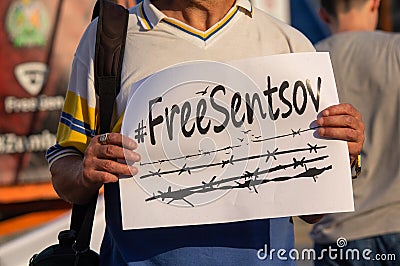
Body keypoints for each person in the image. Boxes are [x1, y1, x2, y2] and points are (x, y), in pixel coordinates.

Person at [46, 0, 364, 264]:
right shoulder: (109, 39)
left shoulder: (289, 44)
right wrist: (85, 171)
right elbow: (65, 170)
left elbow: (314, 213)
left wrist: (342, 156)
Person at [310, 0, 400, 264]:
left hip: (339, 231)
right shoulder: (395, 50)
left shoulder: (309, 63)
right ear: (374, 4)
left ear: (324, 15)